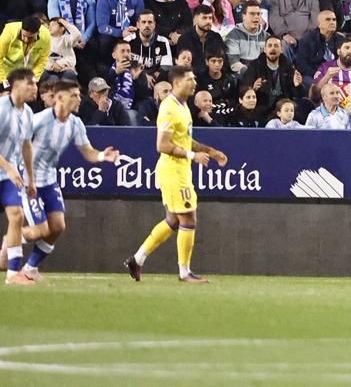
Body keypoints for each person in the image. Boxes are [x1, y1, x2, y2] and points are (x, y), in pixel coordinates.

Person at [125, 65, 230, 284]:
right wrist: (193, 156)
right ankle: (184, 272)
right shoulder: (169, 108)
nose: (194, 83)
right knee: (188, 217)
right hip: (173, 169)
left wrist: (210, 151)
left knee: (173, 220)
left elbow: (183, 140)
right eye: (189, 79)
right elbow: (162, 145)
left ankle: (137, 259)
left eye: (194, 78)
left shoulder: (183, 107)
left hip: (180, 169)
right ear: (177, 83)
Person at [17, 80, 121, 280]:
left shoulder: (76, 123)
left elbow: (87, 151)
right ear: (59, 98)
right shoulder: (40, 120)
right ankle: (10, 243)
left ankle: (30, 268)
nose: (78, 99)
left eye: (79, 95)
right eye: (74, 95)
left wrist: (102, 156)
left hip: (48, 179)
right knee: (42, 228)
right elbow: (20, 143)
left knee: (57, 226)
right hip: (28, 179)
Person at [0, 68, 37, 286]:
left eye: (34, 84)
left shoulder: (28, 113)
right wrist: (10, 167)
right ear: (15, 86)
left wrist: (31, 179)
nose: (34, 88)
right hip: (7, 171)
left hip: (6, 176)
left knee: (16, 215)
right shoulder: (2, 109)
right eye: (30, 84)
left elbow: (26, 146)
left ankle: (13, 273)